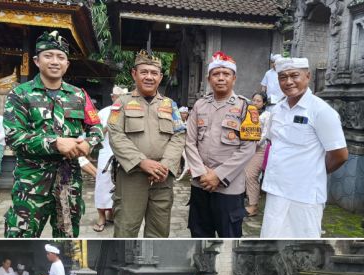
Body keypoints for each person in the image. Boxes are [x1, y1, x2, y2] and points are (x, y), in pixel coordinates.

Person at [3, 30, 102, 238]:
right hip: (32, 184)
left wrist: (88, 144)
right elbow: (14, 136)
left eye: (61, 57)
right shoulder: (20, 94)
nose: (55, 62)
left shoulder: (78, 95)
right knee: (22, 236)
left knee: (67, 237)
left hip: (69, 181)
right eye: (48, 56)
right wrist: (54, 143)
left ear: (67, 64)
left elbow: (96, 127)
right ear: (37, 61)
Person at [260, 57, 348, 238]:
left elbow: (339, 155)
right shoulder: (277, 110)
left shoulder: (321, 111)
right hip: (276, 190)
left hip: (305, 194)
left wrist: (313, 171)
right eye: (283, 77)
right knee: (271, 238)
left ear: (308, 76)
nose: (288, 82)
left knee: (302, 244)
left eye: (294, 76)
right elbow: (274, 143)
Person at [108, 50, 185, 238]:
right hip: (132, 176)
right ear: (134, 74)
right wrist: (142, 161)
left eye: (154, 73)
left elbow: (179, 135)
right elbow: (115, 135)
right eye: (144, 72)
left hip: (162, 178)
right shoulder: (122, 103)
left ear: (160, 77)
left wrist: (165, 165)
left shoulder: (170, 104)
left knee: (159, 231)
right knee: (126, 229)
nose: (149, 77)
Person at [185, 52, 258, 238]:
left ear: (234, 78)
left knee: (229, 235)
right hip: (200, 184)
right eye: (216, 74)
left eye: (226, 74)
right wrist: (202, 173)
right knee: (199, 234)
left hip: (229, 187)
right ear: (209, 78)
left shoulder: (246, 108)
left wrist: (218, 175)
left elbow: (248, 149)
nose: (221, 78)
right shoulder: (200, 105)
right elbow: (189, 142)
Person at [93, 86, 126, 232]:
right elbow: (95, 134)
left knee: (120, 186)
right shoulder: (104, 112)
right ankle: (101, 217)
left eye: (122, 96)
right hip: (106, 153)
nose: (119, 99)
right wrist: (108, 126)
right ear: (112, 97)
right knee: (102, 184)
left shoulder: (129, 111)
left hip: (123, 154)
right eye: (117, 96)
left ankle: (112, 214)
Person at [244, 92, 271, 217]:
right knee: (244, 174)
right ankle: (248, 200)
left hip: (260, 149)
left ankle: (253, 206)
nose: (255, 103)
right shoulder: (248, 113)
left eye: (258, 101)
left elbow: (265, 134)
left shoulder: (267, 115)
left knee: (251, 175)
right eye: (253, 100)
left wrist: (255, 143)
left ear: (264, 103)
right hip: (247, 148)